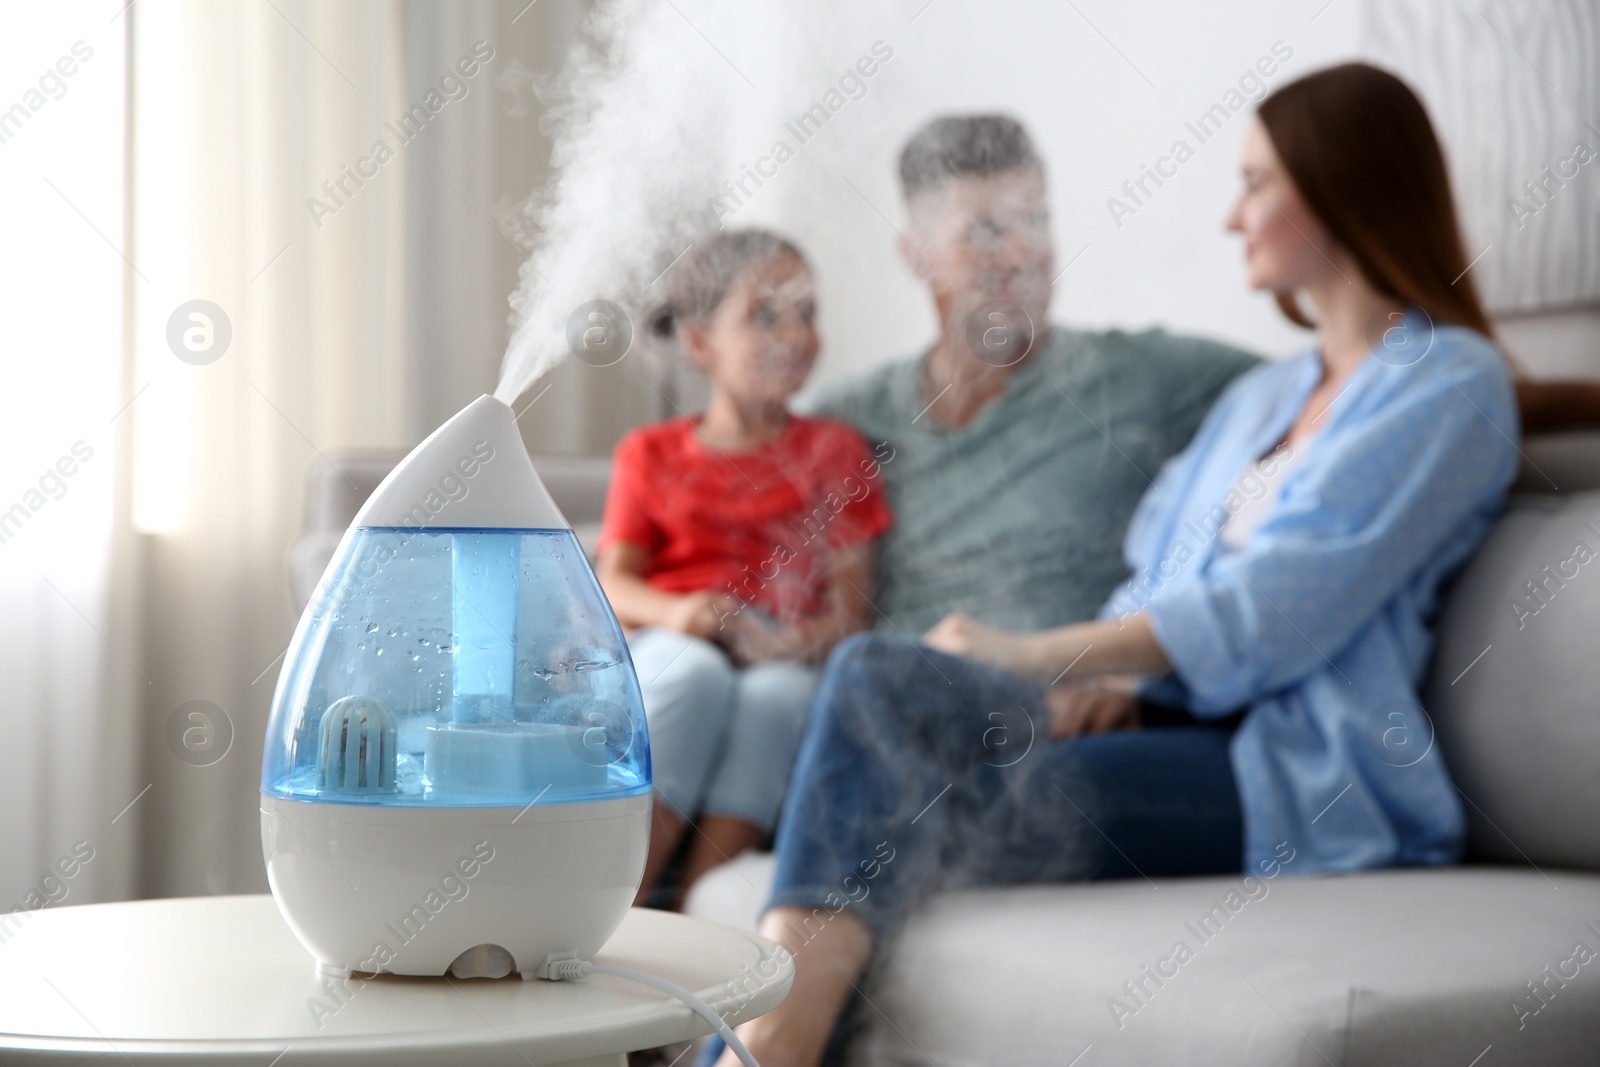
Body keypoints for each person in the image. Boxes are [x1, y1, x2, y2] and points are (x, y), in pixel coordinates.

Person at [718, 64, 1524, 1067]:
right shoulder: (1262, 397)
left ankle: (754, 1054)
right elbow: (1163, 561)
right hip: (1157, 718)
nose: (1232, 216)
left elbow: (1276, 609)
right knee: (875, 677)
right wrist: (1106, 674)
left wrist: (1037, 653)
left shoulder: (1448, 383)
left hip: (1278, 769)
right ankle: (766, 1051)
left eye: (1256, 183)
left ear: (1340, 186)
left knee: (895, 794)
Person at [596, 229, 893, 906]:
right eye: (764, 315)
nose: (795, 333)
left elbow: (850, 613)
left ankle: (702, 910)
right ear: (700, 342)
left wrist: (785, 642)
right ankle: (620, 901)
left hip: (780, 653)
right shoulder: (651, 452)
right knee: (695, 672)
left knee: (779, 696)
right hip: (672, 643)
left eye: (807, 312)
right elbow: (613, 585)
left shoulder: (834, 451)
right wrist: (683, 612)